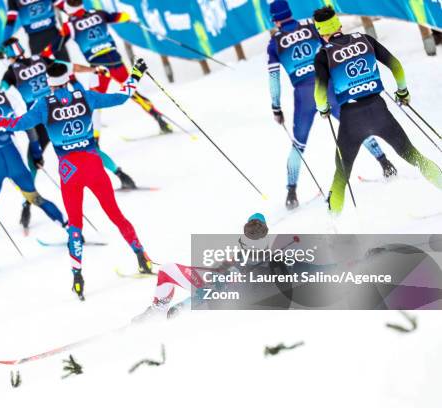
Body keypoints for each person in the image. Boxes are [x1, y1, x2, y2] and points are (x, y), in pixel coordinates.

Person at [0, 59, 154, 300]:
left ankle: (77, 278)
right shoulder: (85, 96)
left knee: (75, 226)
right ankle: (141, 257)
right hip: (93, 165)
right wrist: (136, 74)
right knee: (115, 214)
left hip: (69, 172)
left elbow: (14, 124)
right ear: (68, 78)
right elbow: (122, 96)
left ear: (49, 83)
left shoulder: (43, 105)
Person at [267, 0, 395, 210]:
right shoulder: (310, 28)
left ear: (275, 21)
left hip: (303, 96)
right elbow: (333, 47)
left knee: (298, 144)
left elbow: (273, 79)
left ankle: (291, 193)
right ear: (289, 13)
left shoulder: (275, 44)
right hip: (327, 86)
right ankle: (385, 163)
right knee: (355, 126)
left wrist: (276, 107)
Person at [312, 6, 442, 213]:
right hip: (379, 111)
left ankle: (333, 225)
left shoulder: (323, 55)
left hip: (351, 119)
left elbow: (319, 93)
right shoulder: (365, 40)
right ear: (338, 25)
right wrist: (402, 92)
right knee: (414, 156)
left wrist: (323, 109)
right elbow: (396, 66)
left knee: (341, 175)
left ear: (321, 32)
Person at [0, 37, 137, 229]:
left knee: (33, 162)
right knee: (88, 147)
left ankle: (27, 203)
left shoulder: (9, 74)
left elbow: (0, 94)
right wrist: (92, 69)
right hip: (60, 110)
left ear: (8, 55)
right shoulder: (42, 59)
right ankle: (121, 174)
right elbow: (70, 67)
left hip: (39, 117)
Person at [0, 68, 66, 279]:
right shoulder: (7, 95)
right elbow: (28, 124)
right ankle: (69, 228)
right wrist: (35, 151)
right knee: (36, 198)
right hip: (13, 156)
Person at [51, 0, 172, 134]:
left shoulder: (69, 25)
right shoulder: (99, 13)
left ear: (67, 8)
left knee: (93, 102)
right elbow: (121, 16)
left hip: (99, 68)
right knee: (131, 91)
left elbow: (55, 46)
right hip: (116, 62)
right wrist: (129, 19)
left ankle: (95, 141)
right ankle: (159, 118)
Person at [133, 213, 272, 322]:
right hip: (209, 282)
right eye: (248, 231)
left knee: (168, 271)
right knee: (166, 270)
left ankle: (159, 313)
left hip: (216, 298)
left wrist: (184, 306)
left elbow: (217, 291)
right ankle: (158, 309)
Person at [4, 0, 70, 61]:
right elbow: (11, 20)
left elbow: (10, 21)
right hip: (40, 37)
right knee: (42, 67)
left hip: (44, 35)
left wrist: (4, 41)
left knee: (66, 65)